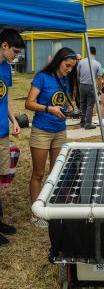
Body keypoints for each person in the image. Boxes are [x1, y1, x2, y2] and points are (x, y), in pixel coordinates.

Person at [25, 47, 77, 228]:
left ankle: (52, 208)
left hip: (59, 131)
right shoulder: (42, 77)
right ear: (59, 60)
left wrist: (68, 110)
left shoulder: (66, 79)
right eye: (67, 65)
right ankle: (36, 213)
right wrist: (49, 109)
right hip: (42, 130)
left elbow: (61, 101)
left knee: (56, 173)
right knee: (38, 173)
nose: (69, 70)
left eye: (72, 67)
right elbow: (29, 103)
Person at [0, 29, 25, 246]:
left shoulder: (6, 69)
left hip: (2, 132)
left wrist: (14, 121)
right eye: (15, 51)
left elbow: (4, 100)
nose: (16, 56)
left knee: (1, 175)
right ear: (4, 45)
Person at [77, 46, 102, 129]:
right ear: (95, 53)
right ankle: (88, 124)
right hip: (91, 85)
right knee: (90, 105)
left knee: (82, 104)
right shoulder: (97, 63)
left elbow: (78, 74)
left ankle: (82, 122)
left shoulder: (81, 62)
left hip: (82, 85)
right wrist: (99, 88)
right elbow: (99, 78)